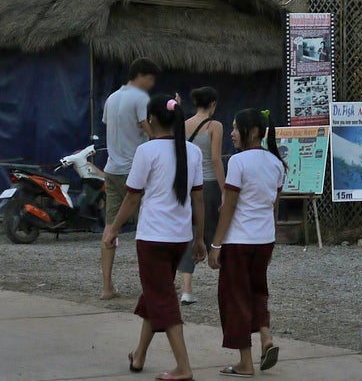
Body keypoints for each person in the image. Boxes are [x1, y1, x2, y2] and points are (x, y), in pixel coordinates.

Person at [104, 94, 204, 381]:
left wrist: (113, 229)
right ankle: (139, 355)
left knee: (162, 297)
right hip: (180, 237)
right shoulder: (192, 152)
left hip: (152, 237)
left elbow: (132, 198)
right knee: (155, 292)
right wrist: (199, 238)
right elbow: (198, 200)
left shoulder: (146, 152)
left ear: (151, 120)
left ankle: (183, 367)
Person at [209, 109, 285, 377]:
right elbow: (273, 208)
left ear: (251, 132)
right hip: (264, 240)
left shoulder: (239, 162)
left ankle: (245, 362)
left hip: (239, 241)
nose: (231, 133)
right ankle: (266, 337)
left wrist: (216, 245)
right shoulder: (276, 164)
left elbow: (229, 206)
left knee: (235, 298)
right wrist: (271, 237)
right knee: (257, 291)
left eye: (235, 128)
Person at [101, 57, 159, 300]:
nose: (152, 84)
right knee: (149, 228)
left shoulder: (112, 98)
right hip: (135, 170)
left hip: (112, 169)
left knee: (110, 227)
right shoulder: (141, 99)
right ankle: (157, 283)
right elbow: (148, 129)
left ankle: (107, 287)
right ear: (142, 75)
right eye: (151, 78)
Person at [177, 87, 224, 306]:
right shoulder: (215, 126)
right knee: (217, 233)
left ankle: (187, 289)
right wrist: (225, 189)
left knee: (190, 232)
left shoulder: (183, 125)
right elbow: (215, 159)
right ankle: (227, 283)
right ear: (213, 104)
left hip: (188, 184)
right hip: (209, 183)